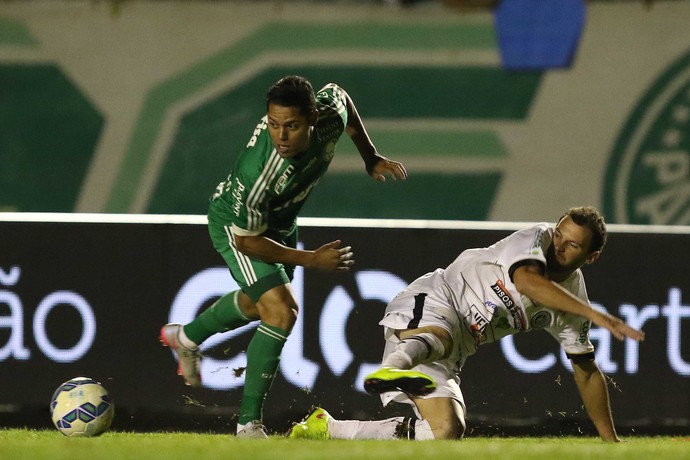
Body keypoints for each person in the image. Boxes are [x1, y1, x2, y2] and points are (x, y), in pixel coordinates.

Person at [160, 75, 407, 438]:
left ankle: (185, 338)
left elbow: (340, 95)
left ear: (312, 118)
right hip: (239, 229)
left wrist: (370, 156)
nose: (281, 136)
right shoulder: (257, 171)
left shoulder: (328, 117)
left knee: (259, 303)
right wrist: (311, 260)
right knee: (282, 310)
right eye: (274, 125)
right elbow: (248, 243)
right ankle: (248, 426)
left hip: (280, 222)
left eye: (291, 125)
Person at [288, 206, 645, 442]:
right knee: (440, 334)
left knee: (446, 430)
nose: (559, 246)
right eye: (560, 234)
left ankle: (328, 427)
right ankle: (393, 367)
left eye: (572, 246)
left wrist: (610, 442)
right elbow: (528, 282)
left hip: (457, 346)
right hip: (435, 298)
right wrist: (596, 314)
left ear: (591, 257)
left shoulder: (572, 302)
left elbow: (585, 370)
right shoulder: (535, 238)